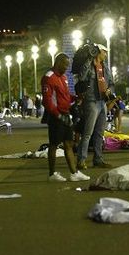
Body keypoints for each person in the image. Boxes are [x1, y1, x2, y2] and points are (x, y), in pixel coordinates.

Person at [41, 53, 90, 182]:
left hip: (66, 114)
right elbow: (47, 101)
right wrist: (58, 115)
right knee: (54, 145)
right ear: (58, 62)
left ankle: (74, 173)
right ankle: (52, 174)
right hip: (55, 116)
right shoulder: (48, 77)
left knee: (69, 143)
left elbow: (65, 96)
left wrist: (76, 98)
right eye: (65, 64)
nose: (67, 68)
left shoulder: (63, 78)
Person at [76, 44, 114, 169]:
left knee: (99, 133)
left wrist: (109, 90)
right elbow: (81, 77)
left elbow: (112, 83)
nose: (106, 55)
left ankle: (98, 159)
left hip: (102, 102)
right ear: (98, 52)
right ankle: (81, 160)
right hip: (91, 102)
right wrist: (89, 59)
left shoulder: (105, 67)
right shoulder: (90, 66)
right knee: (88, 133)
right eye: (104, 52)